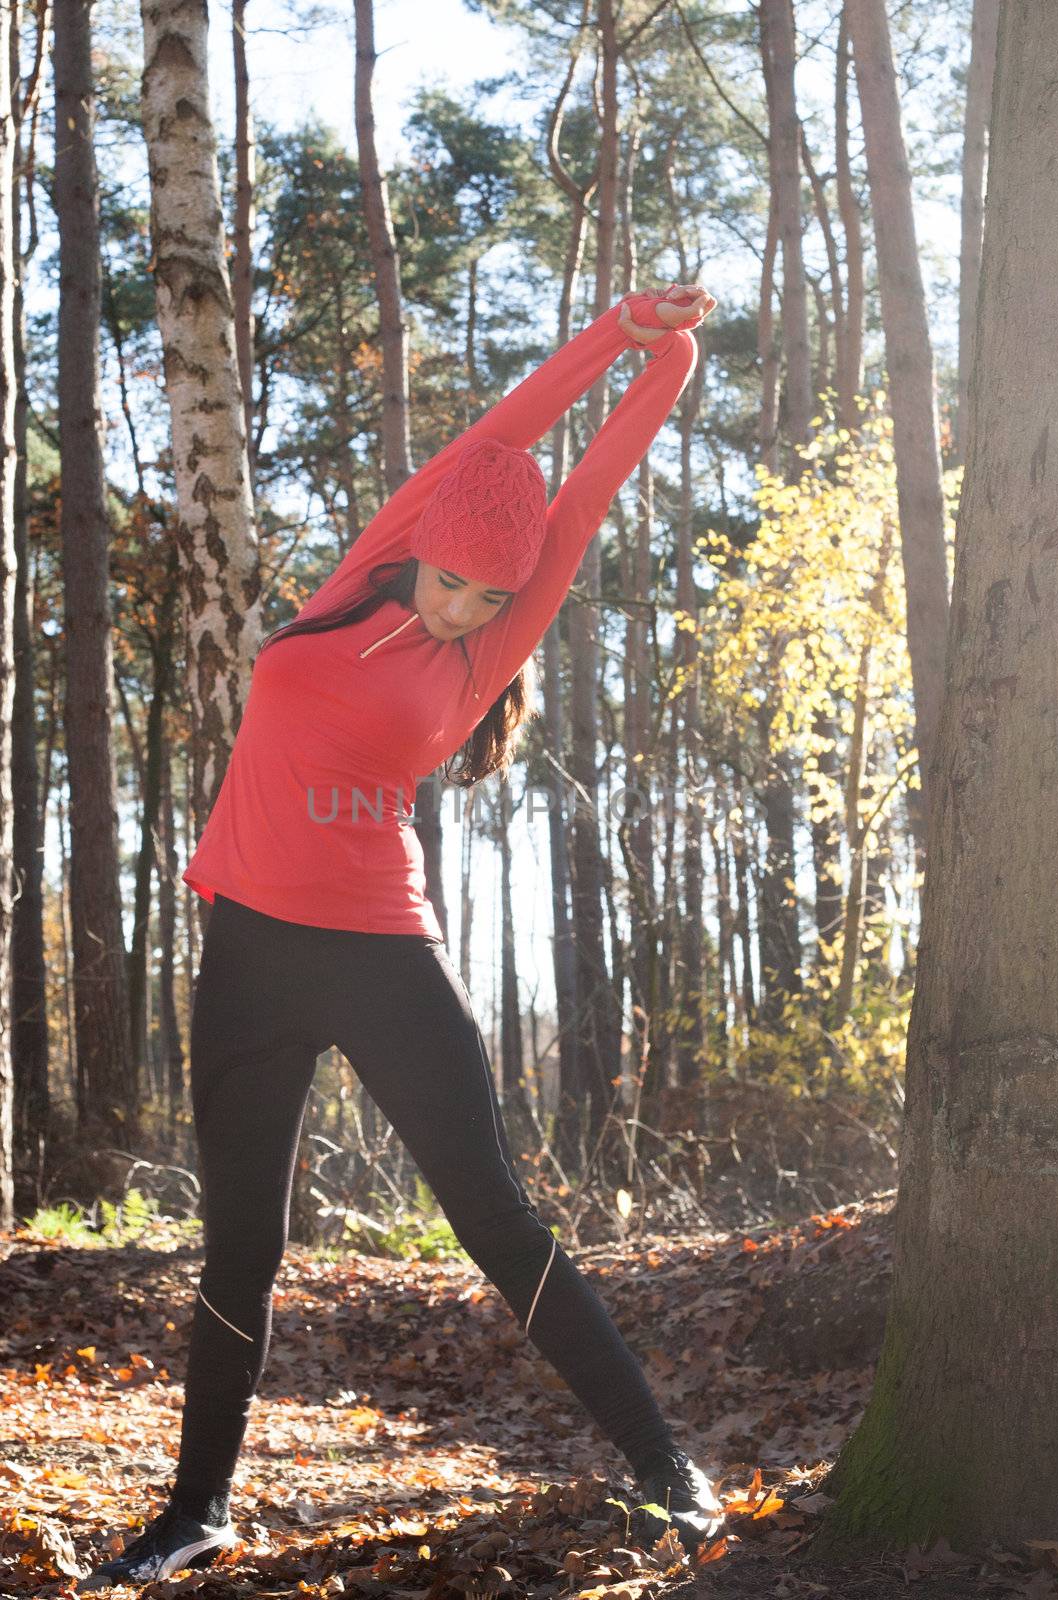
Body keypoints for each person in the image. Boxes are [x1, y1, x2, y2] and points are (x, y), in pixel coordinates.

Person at [79, 282, 723, 1591]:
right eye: (451, 582)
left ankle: (667, 1469)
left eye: (491, 598)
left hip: (383, 952)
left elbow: (582, 487)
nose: (461, 610)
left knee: (492, 1213)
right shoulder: (359, 575)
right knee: (243, 1242)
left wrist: (670, 368)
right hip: (248, 950)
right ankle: (196, 1510)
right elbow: (510, 433)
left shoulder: (482, 651)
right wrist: (616, 331)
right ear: (416, 540)